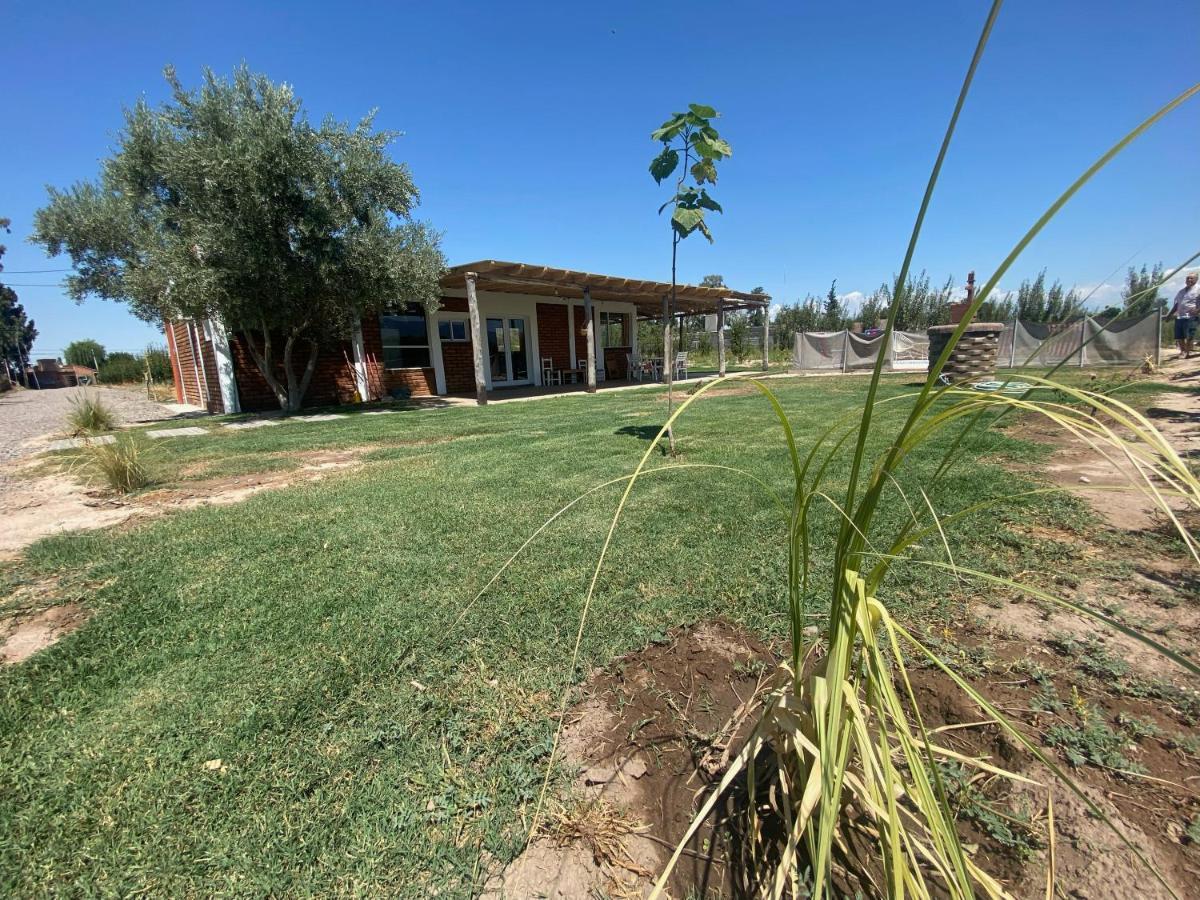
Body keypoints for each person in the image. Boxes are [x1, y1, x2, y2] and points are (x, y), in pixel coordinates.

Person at [1167, 272, 1200, 359]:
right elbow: (1177, 304)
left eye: (1191, 278)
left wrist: (1197, 310)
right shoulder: (1181, 291)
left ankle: (1187, 352)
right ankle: (1183, 351)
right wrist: (1169, 314)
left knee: (1189, 335)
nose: (1189, 280)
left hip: (1191, 316)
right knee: (1179, 335)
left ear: (1196, 279)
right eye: (1188, 278)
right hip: (1180, 316)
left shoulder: (1198, 289)